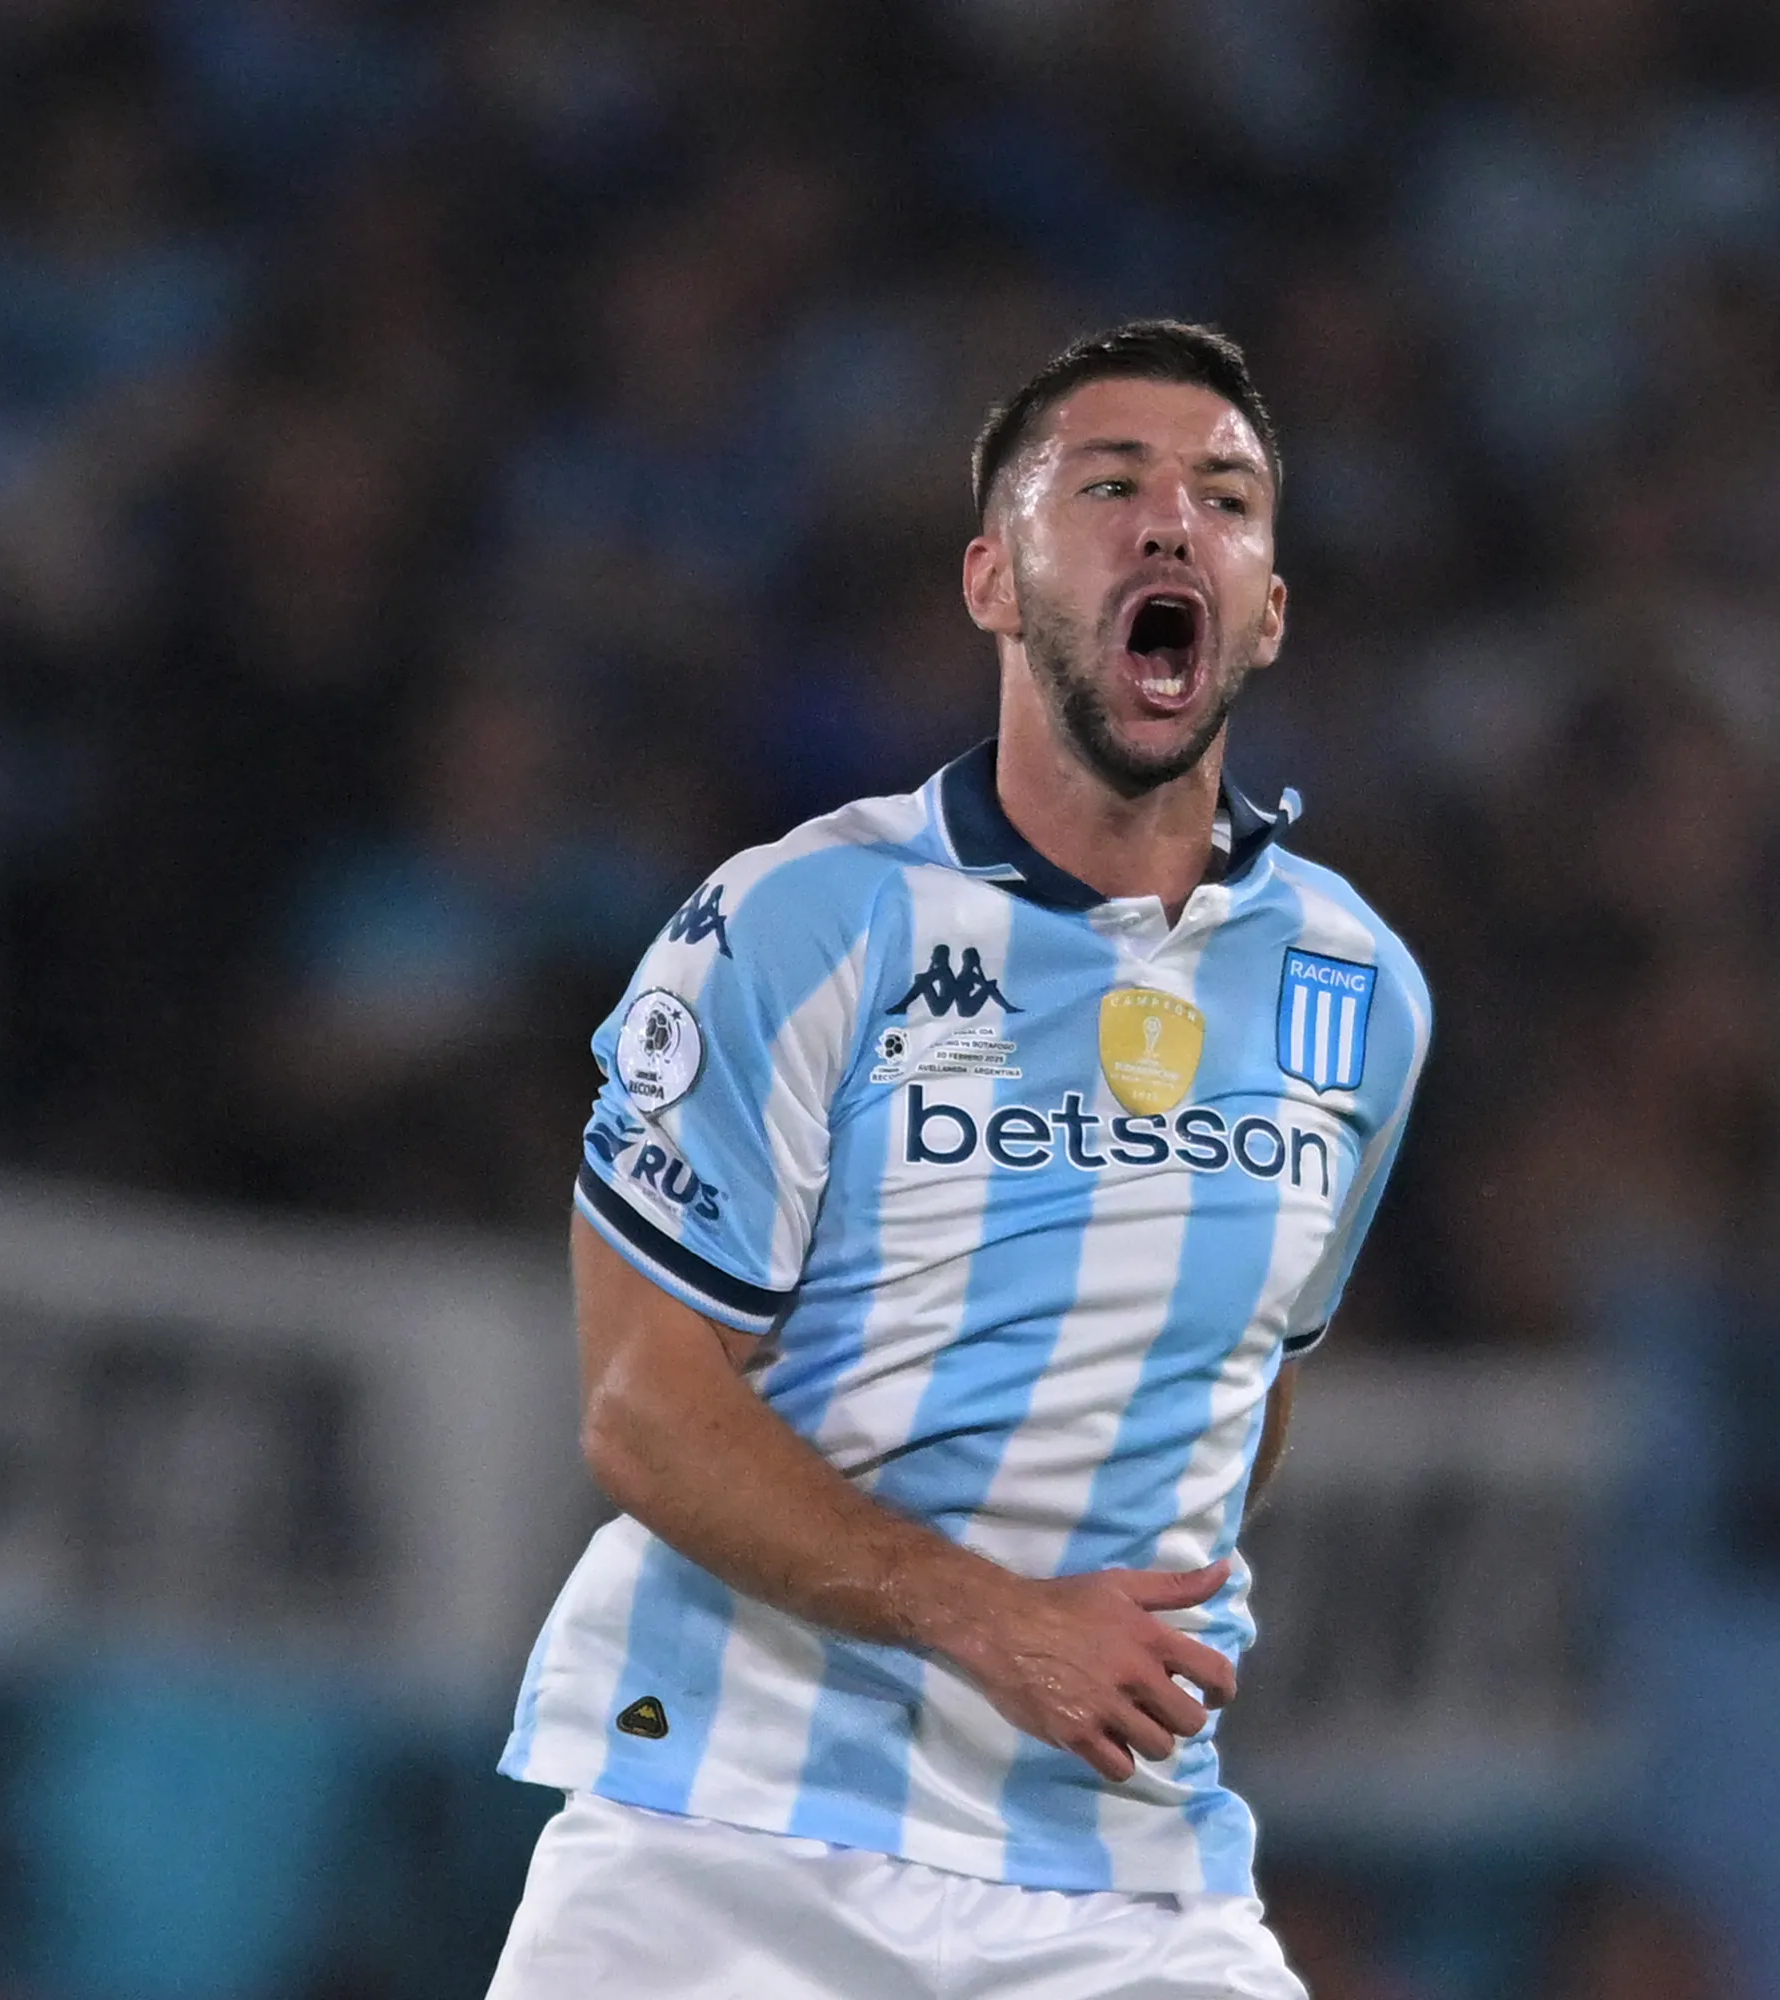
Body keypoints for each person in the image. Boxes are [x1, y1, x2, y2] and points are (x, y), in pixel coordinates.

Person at [488, 321, 1431, 1998]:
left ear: (1269, 605)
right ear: (993, 579)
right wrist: (996, 1619)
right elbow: (642, 1404)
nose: (1170, 526)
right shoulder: (800, 922)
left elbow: (1254, 1385)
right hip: (723, 1838)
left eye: (1224, 497)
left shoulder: (1360, 991)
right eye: (1110, 485)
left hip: (1119, 1881)